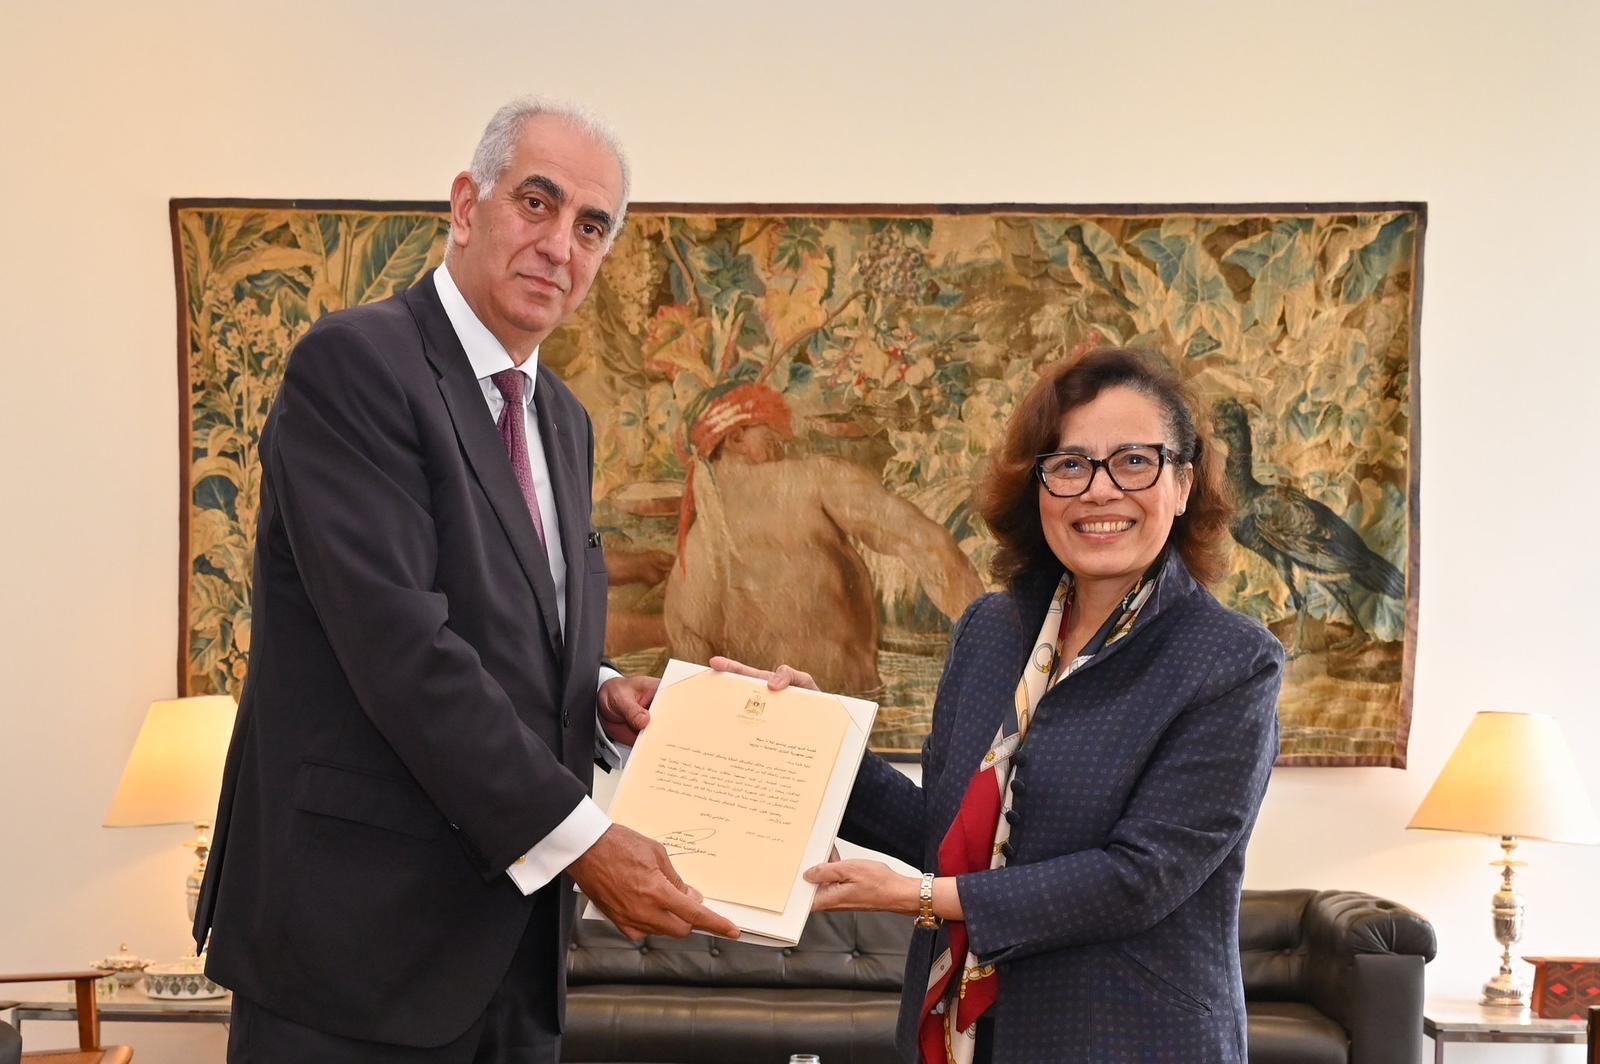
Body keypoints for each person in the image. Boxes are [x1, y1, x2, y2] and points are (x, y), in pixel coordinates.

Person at [194, 99, 738, 1064]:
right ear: (465, 204)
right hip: (351, 955)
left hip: (512, 961)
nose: (559, 245)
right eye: (537, 202)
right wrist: (585, 841)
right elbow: (402, 648)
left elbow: (511, 623)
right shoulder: (355, 365)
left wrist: (599, 689)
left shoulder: (562, 418)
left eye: (591, 227)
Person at [718, 348, 1283, 1063]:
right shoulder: (992, 629)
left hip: (1129, 1038)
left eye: (1135, 462)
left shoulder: (1231, 660)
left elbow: (1141, 878)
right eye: (1070, 464)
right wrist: (812, 737)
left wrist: (922, 897)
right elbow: (947, 829)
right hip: (965, 1034)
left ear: (1183, 484)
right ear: (1037, 486)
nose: (1099, 490)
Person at [666, 381, 985, 695]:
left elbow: (693, 689)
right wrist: (989, 650)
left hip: (751, 721)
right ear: (736, 437)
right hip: (843, 708)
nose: (784, 438)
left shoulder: (688, 559)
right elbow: (925, 543)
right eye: (771, 428)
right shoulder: (813, 480)